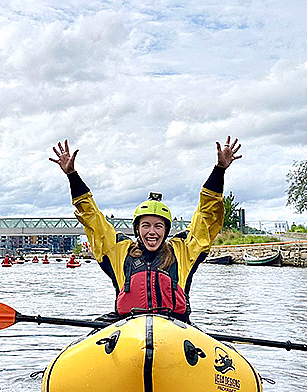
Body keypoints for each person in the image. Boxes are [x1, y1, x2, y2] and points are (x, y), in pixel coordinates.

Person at [50, 136, 242, 322]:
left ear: (166, 231)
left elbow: (207, 217)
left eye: (158, 226)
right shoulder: (119, 250)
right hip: (129, 327)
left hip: (174, 328)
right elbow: (92, 219)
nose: (152, 232)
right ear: (137, 229)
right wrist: (72, 176)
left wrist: (219, 171)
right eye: (146, 225)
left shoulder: (183, 251)